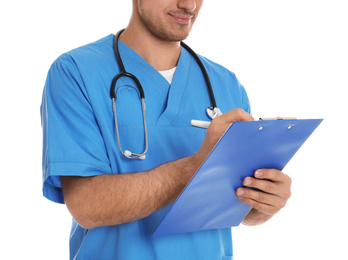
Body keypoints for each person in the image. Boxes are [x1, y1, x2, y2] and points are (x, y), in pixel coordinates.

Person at [41, 0, 292, 259]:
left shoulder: (226, 84)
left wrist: (262, 202)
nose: (189, 4)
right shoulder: (76, 72)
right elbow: (86, 206)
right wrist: (196, 166)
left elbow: (234, 202)